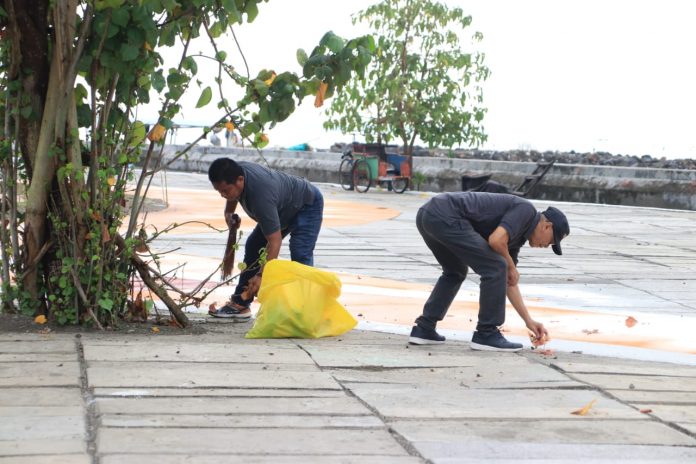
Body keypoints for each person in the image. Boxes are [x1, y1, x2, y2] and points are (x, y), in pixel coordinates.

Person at [409, 192, 569, 352]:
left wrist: (529, 321)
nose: (547, 246)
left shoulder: (516, 238)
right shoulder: (526, 211)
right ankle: (486, 333)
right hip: (446, 214)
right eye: (551, 241)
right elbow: (496, 240)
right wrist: (510, 266)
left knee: (455, 271)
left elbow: (508, 281)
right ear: (547, 226)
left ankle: (424, 328)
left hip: (429, 214)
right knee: (497, 266)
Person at [207, 158, 324, 319]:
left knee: (300, 254)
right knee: (254, 245)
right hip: (281, 207)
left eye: (225, 191)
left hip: (307, 204)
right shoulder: (235, 172)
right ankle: (241, 304)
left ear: (240, 180)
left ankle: (304, 310)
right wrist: (228, 214)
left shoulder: (260, 197)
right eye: (219, 192)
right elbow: (231, 195)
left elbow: (274, 241)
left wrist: (261, 275)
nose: (223, 195)